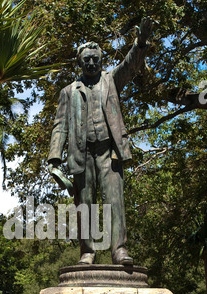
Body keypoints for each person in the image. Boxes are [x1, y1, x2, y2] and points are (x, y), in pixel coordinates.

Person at [48, 18, 153, 266]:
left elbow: (129, 66)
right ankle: (88, 252)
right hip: (81, 154)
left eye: (96, 59)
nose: (92, 63)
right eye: (87, 60)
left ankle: (119, 250)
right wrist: (54, 158)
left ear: (101, 61)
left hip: (109, 152)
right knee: (85, 204)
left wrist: (140, 44)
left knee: (115, 200)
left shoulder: (111, 81)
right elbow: (60, 125)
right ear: (80, 62)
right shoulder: (68, 91)